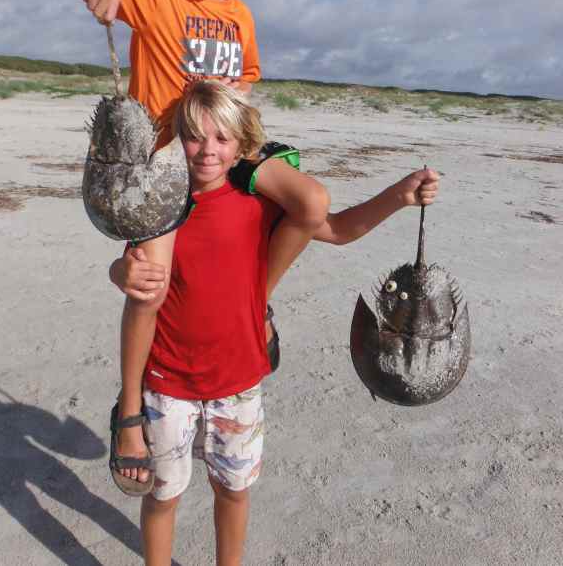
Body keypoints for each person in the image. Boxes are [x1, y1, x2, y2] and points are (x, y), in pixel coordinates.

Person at [48, 0, 330, 488]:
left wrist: (233, 124)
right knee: (148, 286)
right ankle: (129, 408)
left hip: (223, 153)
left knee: (311, 202)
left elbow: (246, 81)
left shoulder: (240, 16)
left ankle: (256, 303)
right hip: (162, 168)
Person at [109, 80, 439, 566]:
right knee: (162, 497)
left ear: (242, 147)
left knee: (233, 492)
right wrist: (131, 415)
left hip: (239, 384)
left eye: (222, 138)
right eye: (195, 137)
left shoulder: (259, 205)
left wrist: (399, 195)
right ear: (178, 139)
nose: (207, 150)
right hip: (166, 383)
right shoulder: (161, 209)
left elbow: (340, 228)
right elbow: (133, 284)